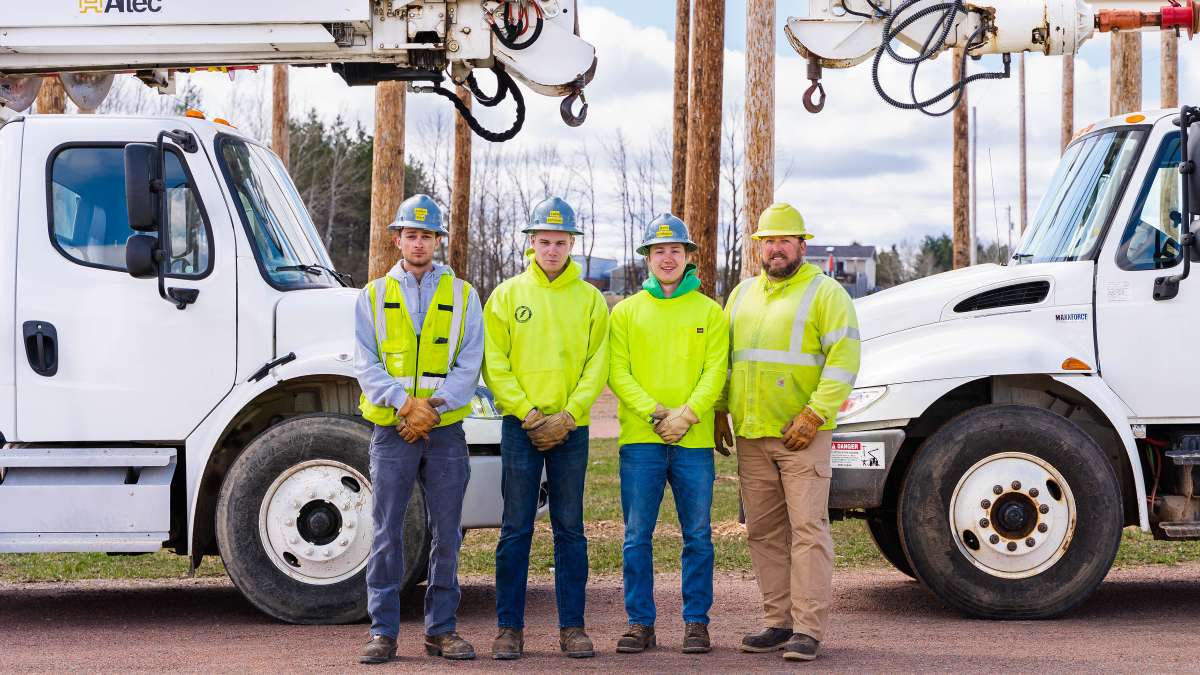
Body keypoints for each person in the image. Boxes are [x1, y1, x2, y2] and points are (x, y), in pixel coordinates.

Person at [717, 203, 860, 663]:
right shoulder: (741, 296)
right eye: (767, 241)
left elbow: (843, 359)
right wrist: (721, 409)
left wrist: (816, 414)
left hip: (803, 435)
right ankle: (777, 622)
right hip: (753, 435)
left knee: (808, 530)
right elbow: (727, 358)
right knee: (762, 531)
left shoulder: (826, 293)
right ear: (758, 246)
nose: (775, 248)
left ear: (803, 244)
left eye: (784, 240)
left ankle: (808, 628)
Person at [355, 194, 484, 665]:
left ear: (437, 242)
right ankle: (383, 631)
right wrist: (404, 406)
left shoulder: (464, 296)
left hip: (444, 430)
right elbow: (365, 363)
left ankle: (441, 630)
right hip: (393, 430)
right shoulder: (371, 295)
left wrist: (432, 408)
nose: (418, 243)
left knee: (446, 532)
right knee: (387, 530)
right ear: (397, 239)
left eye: (427, 235)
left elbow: (470, 363)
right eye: (411, 234)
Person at [483, 196, 610, 660]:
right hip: (522, 428)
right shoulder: (507, 295)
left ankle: (572, 628)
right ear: (531, 242)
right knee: (515, 528)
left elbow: (599, 362)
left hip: (570, 430)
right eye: (544, 241)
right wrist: (527, 413)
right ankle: (508, 629)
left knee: (569, 528)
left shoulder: (591, 299)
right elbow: (493, 361)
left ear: (572, 243)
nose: (552, 249)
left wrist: (570, 414)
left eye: (560, 241)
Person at [607, 214, 729, 655]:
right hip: (641, 440)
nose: (667, 257)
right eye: (658, 250)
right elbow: (617, 371)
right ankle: (641, 622)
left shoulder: (710, 313)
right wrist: (656, 412)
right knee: (637, 535)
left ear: (688, 256)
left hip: (693, 443)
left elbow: (716, 369)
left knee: (697, 535)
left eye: (675, 250)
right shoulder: (625, 312)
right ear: (646, 258)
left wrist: (689, 414)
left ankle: (696, 622)